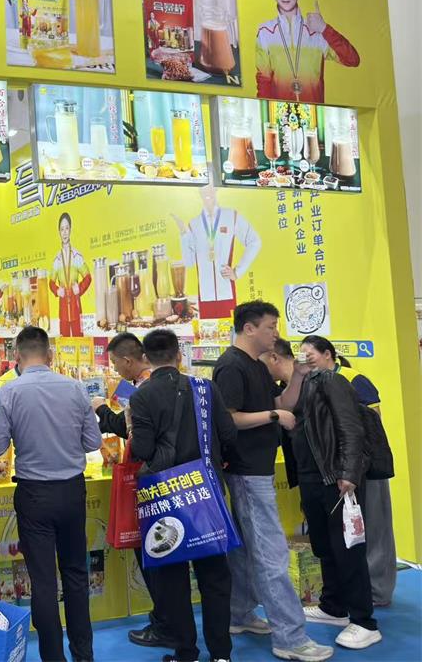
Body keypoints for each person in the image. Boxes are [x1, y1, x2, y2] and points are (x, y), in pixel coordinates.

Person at [213, 302, 333, 662]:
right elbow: (229, 418)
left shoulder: (257, 365)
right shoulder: (231, 366)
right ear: (249, 328)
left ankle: (239, 614)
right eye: (270, 327)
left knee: (246, 551)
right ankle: (290, 638)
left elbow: (282, 402)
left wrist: (297, 377)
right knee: (271, 555)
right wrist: (272, 415)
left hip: (257, 468)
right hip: (247, 471)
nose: (276, 333)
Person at [0, 326, 102, 662]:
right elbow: (93, 442)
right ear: (50, 355)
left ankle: (53, 657)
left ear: (17, 357)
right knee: (76, 575)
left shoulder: (8, 392)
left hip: (34, 494)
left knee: (43, 581)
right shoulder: (75, 388)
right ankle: (84, 654)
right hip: (71, 491)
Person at [261, 339, 381, 650]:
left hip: (336, 476)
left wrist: (349, 473)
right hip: (309, 477)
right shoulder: (291, 391)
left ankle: (364, 621)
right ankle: (333, 606)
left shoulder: (330, 381)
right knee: (323, 545)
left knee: (347, 547)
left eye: (310, 354)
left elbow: (350, 428)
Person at [129, 329, 239, 662]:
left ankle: (186, 651)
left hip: (165, 495)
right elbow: (228, 434)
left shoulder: (141, 397)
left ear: (146, 358)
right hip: (204, 491)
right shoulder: (206, 388)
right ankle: (221, 653)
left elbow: (142, 449)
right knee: (215, 576)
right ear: (179, 354)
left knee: (172, 579)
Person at [92, 333, 177, 650]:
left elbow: (134, 436)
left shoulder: (144, 392)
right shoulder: (176, 385)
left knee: (155, 555)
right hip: (173, 477)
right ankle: (168, 622)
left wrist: (102, 411)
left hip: (151, 478)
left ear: (128, 360)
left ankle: (166, 624)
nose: (115, 369)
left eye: (115, 363)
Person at [300, 336, 396, 608]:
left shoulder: (352, 379)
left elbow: (370, 425)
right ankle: (346, 595)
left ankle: (378, 591)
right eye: (302, 355)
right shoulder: (310, 383)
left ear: (328, 354)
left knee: (374, 529)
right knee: (346, 537)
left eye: (310, 355)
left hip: (364, 467)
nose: (305, 360)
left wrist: (352, 466)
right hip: (340, 470)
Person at [256, 0, 359, 103]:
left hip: (315, 114)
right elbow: (264, 82)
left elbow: (353, 59)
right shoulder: (265, 32)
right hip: (281, 115)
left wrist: (324, 28)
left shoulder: (316, 31)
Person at [172, 179, 262, 320]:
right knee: (208, 332)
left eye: (210, 188)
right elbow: (189, 262)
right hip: (205, 295)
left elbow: (254, 241)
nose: (207, 193)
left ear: (216, 190)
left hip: (227, 291)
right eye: (204, 189)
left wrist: (237, 271)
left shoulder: (231, 216)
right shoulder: (194, 224)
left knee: (230, 331)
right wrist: (184, 233)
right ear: (200, 193)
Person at [49, 213, 91, 337]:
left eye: (67, 228)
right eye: (62, 229)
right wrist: (57, 290)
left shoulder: (77, 256)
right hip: (63, 311)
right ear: (59, 232)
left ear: (70, 230)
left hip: (76, 307)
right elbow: (51, 283)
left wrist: (80, 288)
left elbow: (88, 277)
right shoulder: (57, 259)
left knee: (80, 341)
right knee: (64, 344)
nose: (65, 232)